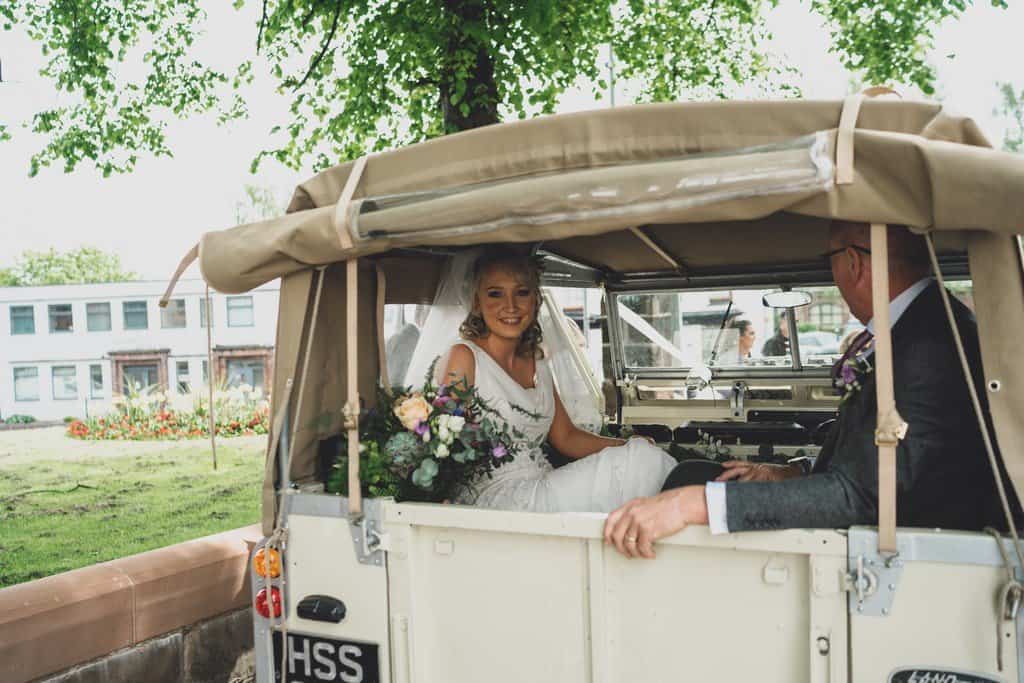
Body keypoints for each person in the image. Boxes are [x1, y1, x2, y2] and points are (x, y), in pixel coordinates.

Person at [604, 220, 1020, 558]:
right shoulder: (927, 324)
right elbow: (877, 464)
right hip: (903, 538)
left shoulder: (926, 344)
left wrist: (691, 504)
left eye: (831, 260)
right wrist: (793, 471)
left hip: (916, 559)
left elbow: (861, 496)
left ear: (854, 263)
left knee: (690, 486)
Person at [441, 247, 677, 512]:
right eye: (495, 294)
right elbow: (443, 439)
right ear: (476, 302)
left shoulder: (537, 361)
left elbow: (566, 437)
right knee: (642, 462)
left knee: (643, 458)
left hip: (540, 482)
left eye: (522, 292)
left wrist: (626, 445)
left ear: (536, 300)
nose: (510, 306)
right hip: (493, 498)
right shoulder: (465, 357)